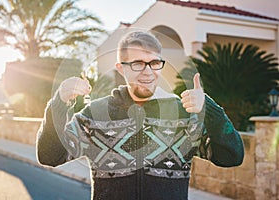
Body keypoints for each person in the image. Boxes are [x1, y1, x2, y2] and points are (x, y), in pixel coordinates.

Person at [36, 31, 244, 200]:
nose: (148, 72)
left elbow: (231, 156)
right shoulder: (95, 115)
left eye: (154, 63)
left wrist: (210, 110)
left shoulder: (184, 115)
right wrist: (59, 103)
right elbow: (50, 156)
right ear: (121, 68)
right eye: (137, 64)